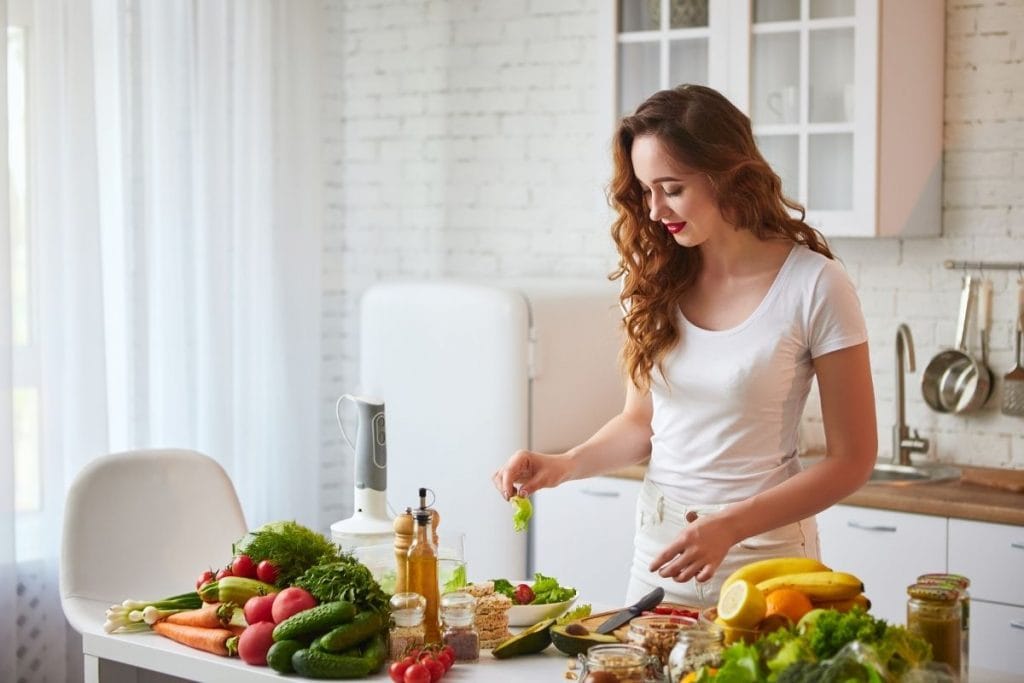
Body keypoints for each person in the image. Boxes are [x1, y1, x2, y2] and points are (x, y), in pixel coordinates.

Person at [492, 84, 877, 607]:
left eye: (671, 188)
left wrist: (727, 526)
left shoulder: (814, 284)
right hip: (659, 561)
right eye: (646, 190)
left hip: (766, 566)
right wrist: (564, 464)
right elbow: (640, 424)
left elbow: (852, 459)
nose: (653, 211)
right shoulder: (656, 282)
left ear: (727, 174)